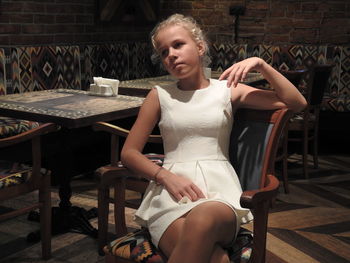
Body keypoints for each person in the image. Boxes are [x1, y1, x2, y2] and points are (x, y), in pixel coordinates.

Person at [121, 13, 307, 263]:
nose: (171, 55)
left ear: (199, 47)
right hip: (168, 196)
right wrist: (164, 176)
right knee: (217, 260)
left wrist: (261, 64)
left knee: (202, 218)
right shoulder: (158, 95)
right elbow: (129, 153)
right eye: (164, 52)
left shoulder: (227, 90)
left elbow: (297, 103)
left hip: (218, 193)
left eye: (178, 45)